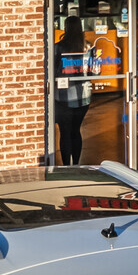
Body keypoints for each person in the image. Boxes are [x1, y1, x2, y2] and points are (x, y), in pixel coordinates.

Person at [53, 18, 91, 165]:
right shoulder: (87, 47)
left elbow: (53, 70)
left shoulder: (58, 48)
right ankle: (76, 164)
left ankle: (66, 166)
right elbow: (95, 71)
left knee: (65, 132)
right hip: (83, 97)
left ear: (66, 28)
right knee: (76, 131)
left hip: (63, 97)